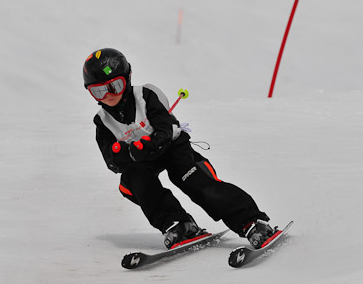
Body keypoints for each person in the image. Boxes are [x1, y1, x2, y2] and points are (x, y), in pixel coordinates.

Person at [83, 48, 275, 249]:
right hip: (142, 160)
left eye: (115, 85)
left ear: (128, 77)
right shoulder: (102, 121)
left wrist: (152, 142)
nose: (108, 95)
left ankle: (251, 221)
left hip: (172, 147)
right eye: (98, 91)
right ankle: (178, 224)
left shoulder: (145, 96)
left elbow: (164, 126)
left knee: (189, 178)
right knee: (133, 181)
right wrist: (129, 153)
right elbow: (111, 160)